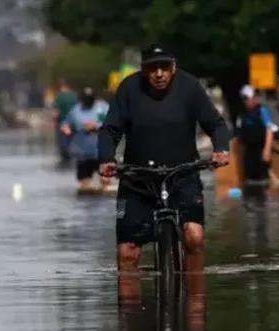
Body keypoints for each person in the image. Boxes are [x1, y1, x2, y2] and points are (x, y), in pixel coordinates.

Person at [98, 43, 231, 302]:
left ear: (174, 67)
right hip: (138, 179)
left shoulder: (190, 88)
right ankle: (130, 320)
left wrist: (221, 149)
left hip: (183, 174)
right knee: (128, 252)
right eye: (152, 68)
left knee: (193, 236)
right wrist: (106, 159)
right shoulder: (128, 89)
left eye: (164, 68)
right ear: (143, 70)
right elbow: (109, 130)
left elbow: (215, 124)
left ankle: (195, 304)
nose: (159, 74)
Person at [60, 87, 109, 191]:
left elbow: (111, 123)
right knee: (84, 186)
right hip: (82, 152)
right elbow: (66, 123)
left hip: (101, 151)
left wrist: (95, 126)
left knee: (105, 182)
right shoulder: (76, 110)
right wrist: (65, 128)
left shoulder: (102, 107)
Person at [236, 85, 276, 184]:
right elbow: (239, 137)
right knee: (250, 180)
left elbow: (269, 130)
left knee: (263, 180)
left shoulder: (262, 111)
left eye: (248, 98)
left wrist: (267, 150)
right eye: (245, 99)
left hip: (261, 149)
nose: (247, 101)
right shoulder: (242, 115)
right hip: (249, 152)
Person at [52, 79, 78, 161]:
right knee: (71, 140)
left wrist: (52, 120)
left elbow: (56, 112)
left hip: (62, 122)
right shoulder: (74, 96)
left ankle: (65, 156)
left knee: (63, 142)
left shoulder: (59, 97)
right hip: (72, 123)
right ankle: (70, 156)